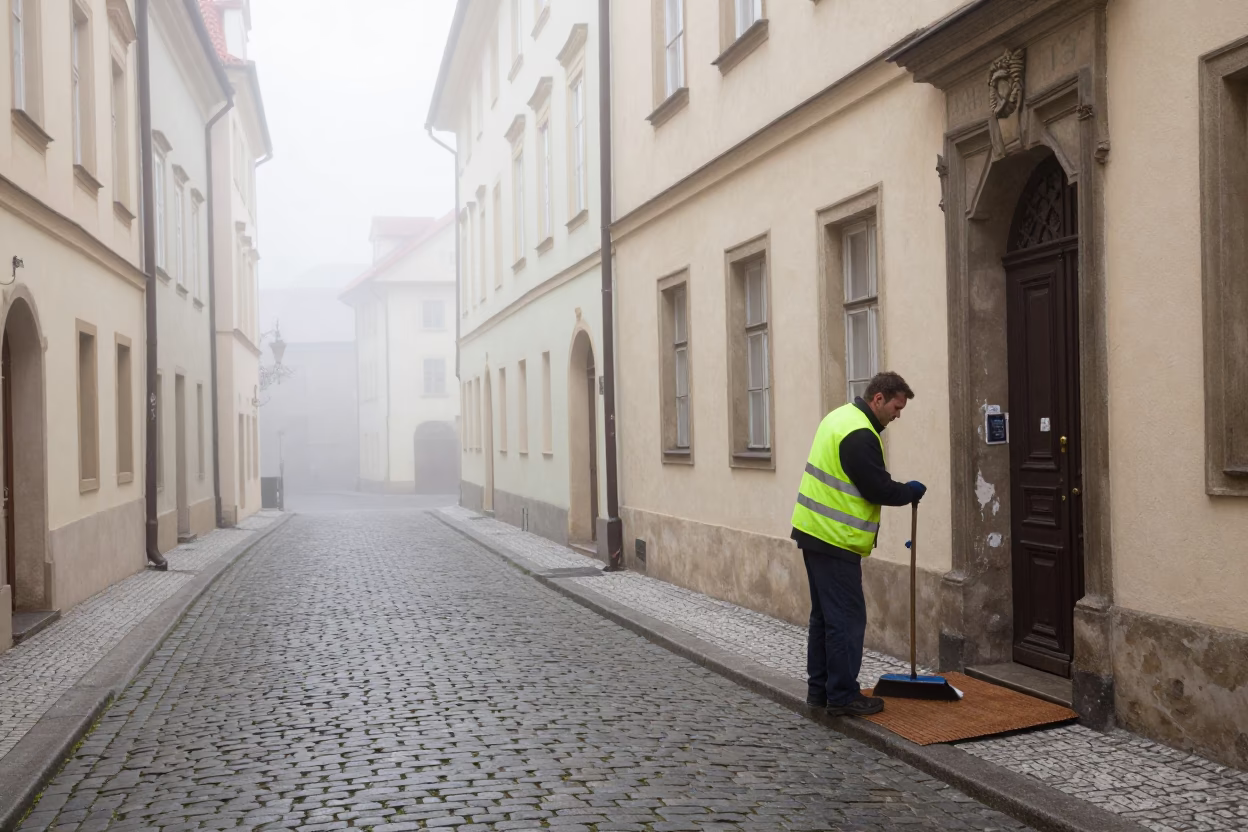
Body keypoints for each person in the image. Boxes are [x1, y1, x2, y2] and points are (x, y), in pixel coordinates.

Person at [791, 371, 926, 716]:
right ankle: (842, 695)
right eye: (896, 407)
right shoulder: (859, 434)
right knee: (846, 619)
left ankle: (819, 691)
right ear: (878, 399)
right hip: (835, 539)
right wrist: (908, 491)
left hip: (815, 533)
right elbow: (876, 488)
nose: (898, 415)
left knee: (824, 617)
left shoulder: (839, 417)